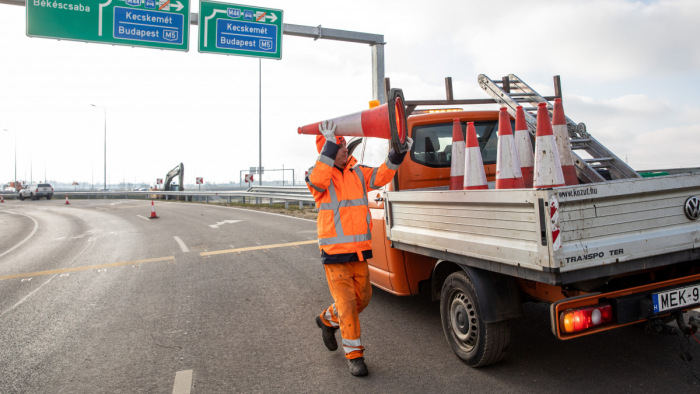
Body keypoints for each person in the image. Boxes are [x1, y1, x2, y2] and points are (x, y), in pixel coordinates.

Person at [306, 120, 412, 377]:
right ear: (328, 149)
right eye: (339, 145)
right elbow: (318, 179)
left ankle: (327, 320)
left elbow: (382, 175)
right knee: (348, 305)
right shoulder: (318, 175)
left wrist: (398, 153)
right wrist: (329, 145)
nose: (345, 149)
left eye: (343, 145)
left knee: (362, 299)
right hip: (335, 256)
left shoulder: (357, 172)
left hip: (359, 252)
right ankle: (355, 356)